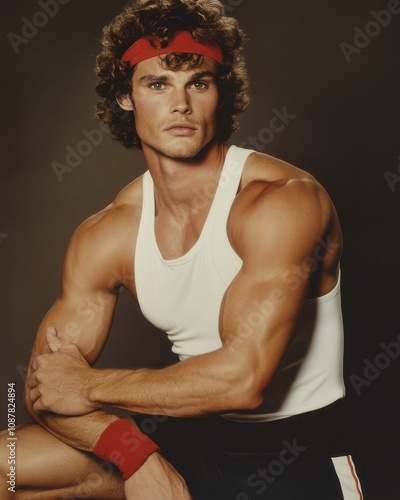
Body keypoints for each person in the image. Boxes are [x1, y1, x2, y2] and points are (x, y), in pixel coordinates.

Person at [0, 0, 364, 498]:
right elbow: (46, 389)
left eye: (198, 82)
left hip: (294, 453)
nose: (181, 104)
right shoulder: (110, 231)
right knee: (8, 466)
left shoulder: (282, 201)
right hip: (185, 436)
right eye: (157, 84)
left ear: (221, 92)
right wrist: (134, 457)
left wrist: (88, 385)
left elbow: (242, 380)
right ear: (126, 97)